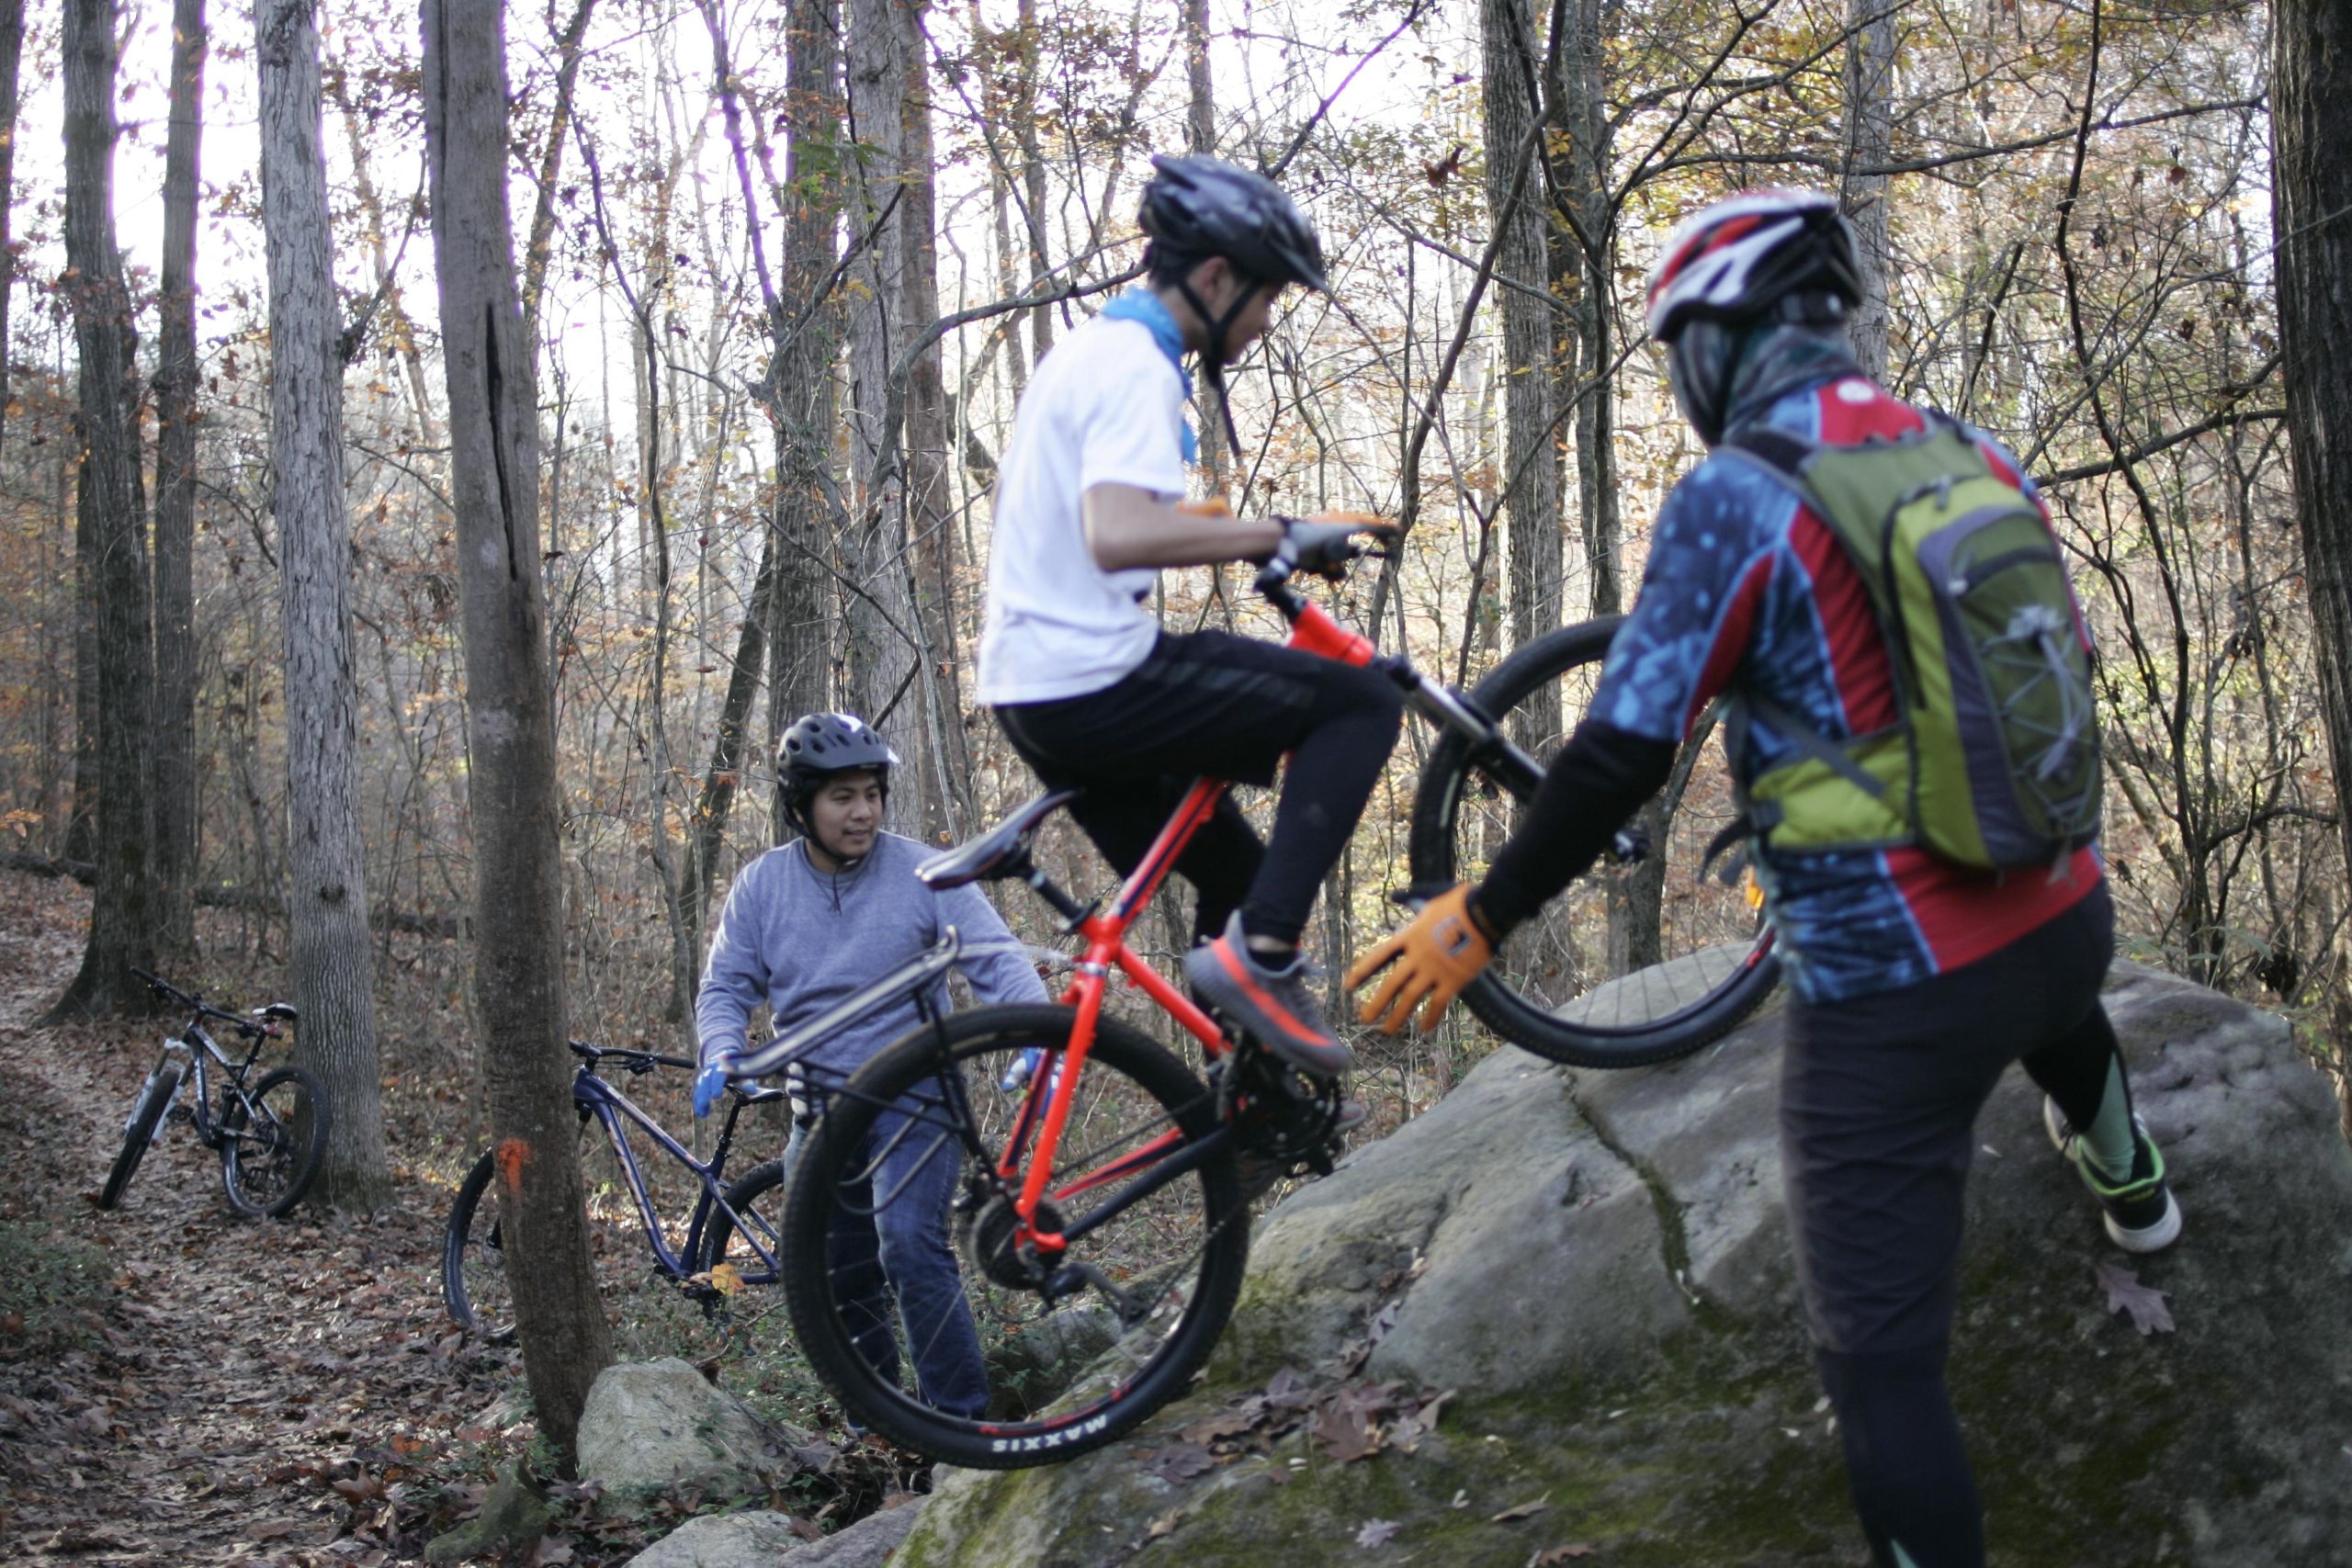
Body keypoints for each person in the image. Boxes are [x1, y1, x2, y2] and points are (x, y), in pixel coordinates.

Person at [1347, 189, 2179, 1568]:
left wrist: (1480, 913)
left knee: (1881, 1367)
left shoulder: (1739, 494)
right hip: (2066, 916)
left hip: (1895, 992)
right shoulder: (1970, 450)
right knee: (2048, 1006)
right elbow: (2059, 672)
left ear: (1718, 345)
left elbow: (1620, 751)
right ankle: (2133, 1178)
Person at [978, 152, 1400, 1077]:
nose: (1265, 320)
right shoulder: (1134, 363)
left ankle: (1244, 1114)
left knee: (1238, 880)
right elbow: (1119, 534)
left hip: (1036, 696)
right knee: (1360, 703)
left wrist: (1253, 533)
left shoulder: (1092, 351)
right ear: (1214, 277)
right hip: (1094, 680)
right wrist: (1277, 532)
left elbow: (1110, 515)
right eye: (1267, 297)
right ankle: (1270, 956)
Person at [692, 711, 1048, 1420]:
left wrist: (1033, 1030)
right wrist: (720, 1046)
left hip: (917, 1098)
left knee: (909, 1247)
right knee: (838, 1274)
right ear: (801, 805)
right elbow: (726, 984)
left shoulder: (923, 871)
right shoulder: (762, 886)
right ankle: (878, 1426)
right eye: (841, 797)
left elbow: (995, 956)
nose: (862, 812)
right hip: (819, 1106)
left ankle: (961, 1424)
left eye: (871, 794)